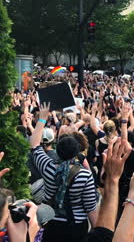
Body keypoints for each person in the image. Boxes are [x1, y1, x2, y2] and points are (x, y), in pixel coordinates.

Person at [30, 103, 98, 242]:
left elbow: (35, 144)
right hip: (76, 226)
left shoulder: (47, 167)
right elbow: (91, 208)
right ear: (77, 153)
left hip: (50, 221)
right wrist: (99, 234)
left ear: (57, 150)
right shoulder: (85, 175)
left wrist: (43, 118)